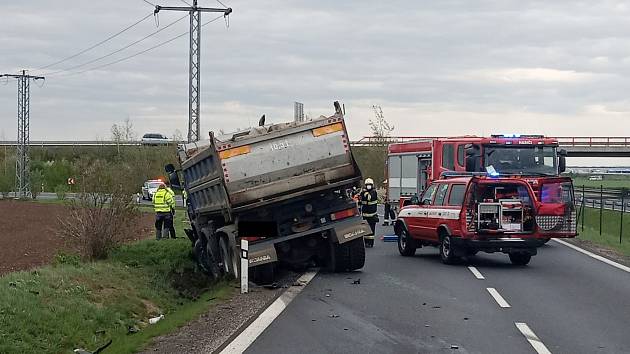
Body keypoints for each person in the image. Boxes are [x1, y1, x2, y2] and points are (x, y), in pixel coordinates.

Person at [360, 178, 378, 248]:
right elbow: (361, 199)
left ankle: (370, 243)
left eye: (369, 185)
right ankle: (366, 242)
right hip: (365, 215)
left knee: (371, 229)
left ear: (372, 185)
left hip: (372, 215)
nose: (368, 186)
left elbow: (369, 197)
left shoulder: (373, 192)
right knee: (365, 229)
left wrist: (365, 192)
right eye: (367, 185)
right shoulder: (363, 192)